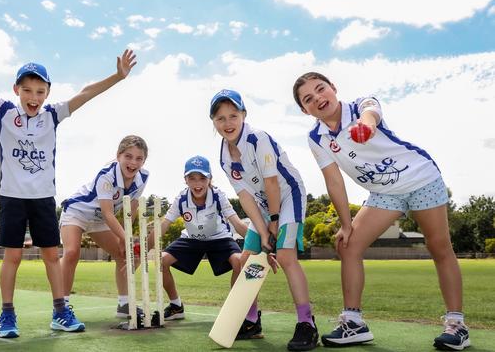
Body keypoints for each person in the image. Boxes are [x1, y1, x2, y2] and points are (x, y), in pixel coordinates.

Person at [0, 31, 137, 337]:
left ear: (47, 93)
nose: (34, 97)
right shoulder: (3, 111)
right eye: (28, 90)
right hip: (12, 197)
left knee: (50, 255)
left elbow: (86, 93)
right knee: (13, 256)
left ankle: (60, 311)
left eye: (40, 91)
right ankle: (7, 316)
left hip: (44, 198)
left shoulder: (52, 115)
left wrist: (117, 77)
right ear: (16, 89)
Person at [293, 72, 468, 350]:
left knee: (439, 247)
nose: (318, 98)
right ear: (305, 110)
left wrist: (366, 125)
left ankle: (457, 325)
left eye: (321, 89)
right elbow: (334, 181)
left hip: (420, 177)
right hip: (385, 193)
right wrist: (346, 223)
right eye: (309, 99)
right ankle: (354, 323)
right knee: (348, 245)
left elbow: (370, 114)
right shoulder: (317, 137)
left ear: (333, 87)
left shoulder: (361, 105)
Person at [209, 89, 319, 350]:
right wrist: (262, 230)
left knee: (285, 256)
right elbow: (246, 197)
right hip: (260, 204)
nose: (228, 123)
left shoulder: (258, 139)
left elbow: (271, 182)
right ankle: (251, 320)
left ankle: (307, 324)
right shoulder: (224, 156)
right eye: (221, 118)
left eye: (233, 116)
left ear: (244, 115)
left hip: (287, 195)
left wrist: (274, 220)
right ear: (213, 122)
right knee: (246, 259)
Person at [146, 155, 251, 322]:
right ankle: (176, 306)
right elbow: (163, 226)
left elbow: (237, 223)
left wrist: (261, 242)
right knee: (161, 260)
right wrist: (144, 248)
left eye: (202, 178)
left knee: (239, 261)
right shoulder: (181, 198)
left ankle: (234, 310)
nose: (197, 183)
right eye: (192, 178)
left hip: (219, 238)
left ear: (209, 179)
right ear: (185, 180)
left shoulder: (218, 196)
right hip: (192, 239)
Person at [59, 135, 149, 325]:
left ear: (144, 160)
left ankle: (124, 304)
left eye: (139, 158)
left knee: (126, 255)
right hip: (78, 212)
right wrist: (126, 237)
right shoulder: (106, 176)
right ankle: (61, 307)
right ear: (119, 156)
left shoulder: (143, 177)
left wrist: (126, 238)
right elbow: (109, 214)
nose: (133, 163)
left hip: (99, 220)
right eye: (128, 156)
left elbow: (131, 209)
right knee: (72, 252)